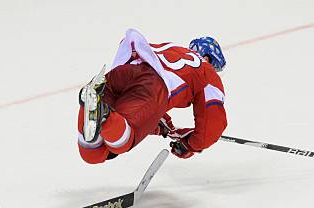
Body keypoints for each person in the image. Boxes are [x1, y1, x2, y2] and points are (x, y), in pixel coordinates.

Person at [78, 28, 228, 162]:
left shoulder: (172, 49)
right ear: (208, 58)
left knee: (92, 154)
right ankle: (104, 115)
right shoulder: (206, 71)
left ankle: (92, 103)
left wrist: (165, 127)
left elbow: (150, 109)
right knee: (123, 142)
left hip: (124, 73)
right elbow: (212, 125)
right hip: (151, 85)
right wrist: (191, 145)